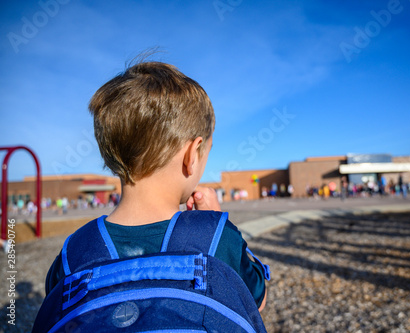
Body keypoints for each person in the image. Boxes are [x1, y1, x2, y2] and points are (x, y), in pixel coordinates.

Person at [42, 61, 268, 312]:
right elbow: (257, 301)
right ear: (191, 155)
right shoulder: (216, 237)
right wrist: (213, 222)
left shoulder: (74, 250)